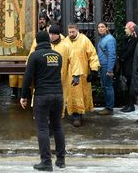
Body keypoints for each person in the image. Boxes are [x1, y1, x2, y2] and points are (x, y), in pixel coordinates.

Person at [21, 31, 68, 171]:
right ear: (48, 41)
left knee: (42, 128)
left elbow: (28, 77)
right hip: (58, 95)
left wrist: (24, 96)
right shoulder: (58, 56)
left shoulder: (34, 56)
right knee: (58, 126)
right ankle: (61, 160)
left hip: (42, 95)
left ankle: (46, 162)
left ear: (37, 41)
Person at [29, 24, 82, 118]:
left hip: (60, 80)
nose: (51, 36)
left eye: (54, 34)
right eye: (50, 34)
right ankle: (40, 116)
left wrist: (76, 75)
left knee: (58, 101)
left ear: (59, 35)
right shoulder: (41, 44)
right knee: (40, 98)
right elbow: (32, 57)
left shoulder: (66, 46)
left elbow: (74, 59)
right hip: (42, 79)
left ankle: (57, 117)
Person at [66, 23, 100, 127]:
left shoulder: (84, 41)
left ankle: (78, 115)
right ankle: (73, 113)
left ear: (77, 30)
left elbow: (93, 55)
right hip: (69, 74)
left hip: (82, 73)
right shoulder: (65, 42)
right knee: (71, 95)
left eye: (73, 32)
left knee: (80, 94)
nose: (71, 34)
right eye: (69, 32)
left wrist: (94, 70)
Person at [96, 22, 117, 115]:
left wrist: (109, 70)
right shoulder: (103, 39)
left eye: (102, 27)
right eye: (99, 27)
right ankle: (108, 107)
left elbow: (112, 55)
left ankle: (109, 108)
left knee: (108, 87)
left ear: (107, 28)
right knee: (105, 87)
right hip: (103, 66)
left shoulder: (110, 39)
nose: (100, 29)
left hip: (106, 67)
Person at [120, 21, 137, 112]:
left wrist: (122, 57)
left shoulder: (134, 39)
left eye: (126, 28)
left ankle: (131, 105)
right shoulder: (128, 39)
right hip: (126, 66)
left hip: (130, 67)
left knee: (130, 86)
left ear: (131, 29)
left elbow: (129, 51)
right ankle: (127, 104)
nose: (125, 29)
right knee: (127, 86)